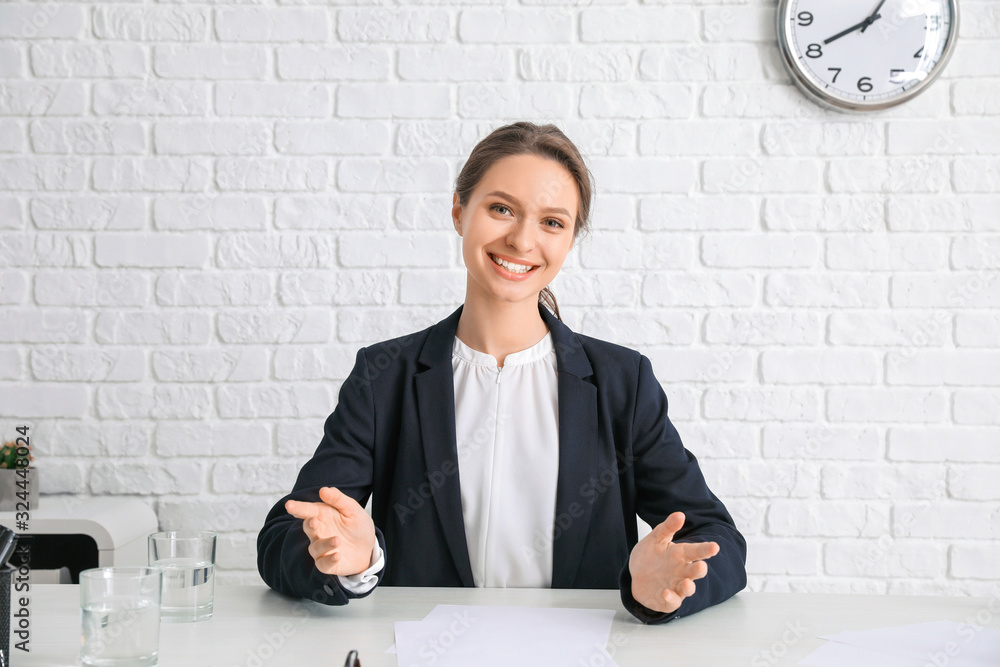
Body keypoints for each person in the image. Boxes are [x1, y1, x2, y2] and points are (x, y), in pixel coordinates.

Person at [257, 121, 747, 624]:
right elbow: (284, 537)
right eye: (501, 209)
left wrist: (658, 585)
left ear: (569, 240)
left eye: (552, 222)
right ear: (458, 211)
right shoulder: (383, 377)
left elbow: (716, 536)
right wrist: (355, 561)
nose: (521, 239)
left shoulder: (623, 381)